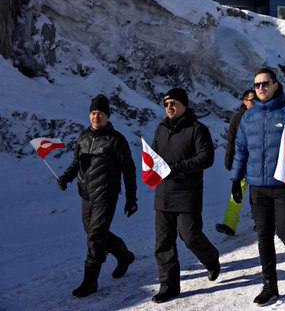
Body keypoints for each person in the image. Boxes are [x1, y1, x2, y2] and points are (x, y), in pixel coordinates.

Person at [231, 68, 285, 305]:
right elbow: (241, 150)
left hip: (283, 184)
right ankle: (270, 286)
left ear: (276, 84)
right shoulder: (248, 117)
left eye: (265, 83)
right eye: (256, 85)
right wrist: (236, 180)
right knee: (263, 235)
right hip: (257, 186)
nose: (261, 88)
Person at [57, 95, 137, 298]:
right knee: (92, 232)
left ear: (107, 116)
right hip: (86, 194)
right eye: (93, 113)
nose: (96, 116)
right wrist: (65, 177)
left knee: (95, 236)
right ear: (89, 115)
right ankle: (124, 255)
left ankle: (90, 282)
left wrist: (131, 198)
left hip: (106, 194)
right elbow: (76, 163)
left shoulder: (116, 139)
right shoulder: (83, 137)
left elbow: (129, 170)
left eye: (100, 113)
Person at [151, 88, 220, 303]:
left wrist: (177, 168)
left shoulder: (197, 129)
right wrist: (151, 165)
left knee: (190, 236)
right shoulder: (161, 128)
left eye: (173, 103)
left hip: (187, 193)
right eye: (166, 104)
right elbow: (154, 156)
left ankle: (211, 259)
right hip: (163, 193)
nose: (169, 107)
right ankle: (168, 286)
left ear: (184, 105)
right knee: (163, 243)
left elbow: (206, 158)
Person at [216, 89, 256, 236]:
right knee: (236, 192)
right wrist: (229, 160)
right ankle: (229, 225)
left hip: (259, 161)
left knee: (258, 193)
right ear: (244, 101)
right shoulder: (237, 118)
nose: (254, 102)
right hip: (242, 161)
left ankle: (260, 221)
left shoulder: (264, 115)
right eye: (251, 100)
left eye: (256, 99)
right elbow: (231, 141)